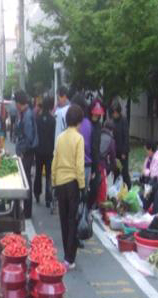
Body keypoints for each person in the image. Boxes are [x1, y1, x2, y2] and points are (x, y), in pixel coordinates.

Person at [52, 105, 85, 270]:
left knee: (63, 220)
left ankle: (66, 254)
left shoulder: (60, 138)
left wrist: (53, 180)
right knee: (72, 220)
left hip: (59, 182)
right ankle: (69, 258)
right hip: (72, 183)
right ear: (79, 121)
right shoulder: (79, 139)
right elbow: (79, 166)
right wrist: (82, 185)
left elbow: (54, 161)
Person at [15, 90, 39, 219]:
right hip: (26, 152)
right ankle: (26, 209)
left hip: (27, 153)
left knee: (26, 181)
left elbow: (29, 138)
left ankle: (27, 211)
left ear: (19, 103)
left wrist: (22, 151)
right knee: (26, 180)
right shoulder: (25, 113)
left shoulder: (27, 115)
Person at [34, 97, 56, 207]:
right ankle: (48, 198)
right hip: (49, 151)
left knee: (38, 172)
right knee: (48, 175)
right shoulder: (53, 120)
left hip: (39, 150)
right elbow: (53, 136)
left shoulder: (37, 119)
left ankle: (37, 193)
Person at [71, 92, 94, 195]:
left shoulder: (75, 125)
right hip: (87, 164)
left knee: (74, 198)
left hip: (76, 165)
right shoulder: (88, 123)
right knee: (83, 196)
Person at [110, 99, 131, 189]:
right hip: (115, 151)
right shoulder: (112, 121)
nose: (115, 115)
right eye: (113, 113)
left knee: (124, 172)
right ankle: (116, 189)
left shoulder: (124, 120)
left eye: (116, 113)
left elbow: (126, 136)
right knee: (116, 171)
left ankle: (128, 187)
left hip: (123, 151)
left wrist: (124, 152)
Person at [87, 100, 104, 209]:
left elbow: (96, 146)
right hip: (87, 158)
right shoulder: (87, 123)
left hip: (94, 159)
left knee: (95, 186)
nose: (96, 116)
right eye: (94, 114)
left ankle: (88, 207)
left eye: (98, 115)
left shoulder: (98, 126)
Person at [96, 121, 116, 206]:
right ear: (111, 130)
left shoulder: (98, 134)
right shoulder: (111, 140)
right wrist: (112, 167)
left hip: (92, 162)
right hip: (101, 164)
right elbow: (112, 156)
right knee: (102, 186)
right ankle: (101, 205)